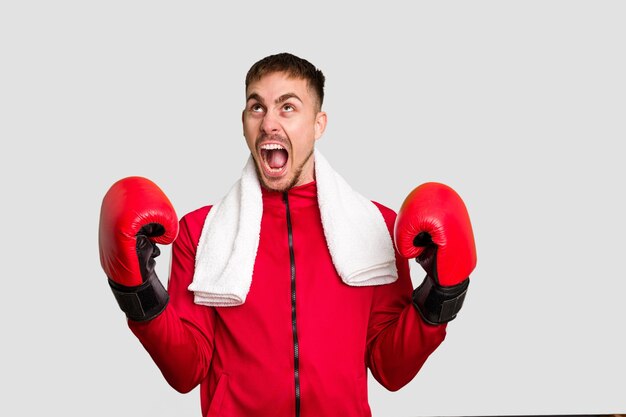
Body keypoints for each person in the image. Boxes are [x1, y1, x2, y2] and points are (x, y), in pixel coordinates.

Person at [98, 52, 477, 417]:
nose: (268, 123)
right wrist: (138, 292)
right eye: (257, 107)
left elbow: (390, 369)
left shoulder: (374, 225)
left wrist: (441, 296)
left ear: (318, 123)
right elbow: (186, 372)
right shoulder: (200, 232)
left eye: (288, 107)